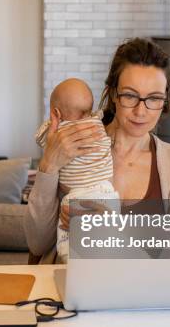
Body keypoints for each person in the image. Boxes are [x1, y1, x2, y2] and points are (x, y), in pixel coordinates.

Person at [24, 38, 170, 263]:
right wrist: (48, 164)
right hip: (70, 287)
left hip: (145, 292)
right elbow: (37, 243)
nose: (141, 111)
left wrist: (112, 234)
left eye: (154, 98)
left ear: (164, 101)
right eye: (130, 95)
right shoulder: (74, 148)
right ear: (113, 94)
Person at [35, 78, 119, 261]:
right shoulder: (97, 125)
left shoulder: (57, 136)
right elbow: (37, 243)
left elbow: (41, 139)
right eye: (130, 95)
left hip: (76, 195)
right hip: (106, 192)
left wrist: (51, 128)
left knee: (67, 242)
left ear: (55, 113)